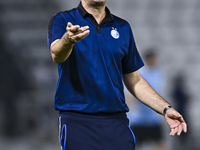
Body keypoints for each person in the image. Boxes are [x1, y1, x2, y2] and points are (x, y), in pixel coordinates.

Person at [47, 1, 187, 150]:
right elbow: (57, 54)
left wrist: (165, 108)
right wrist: (67, 41)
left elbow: (135, 80)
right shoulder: (62, 20)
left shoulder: (123, 27)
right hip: (78, 120)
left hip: (116, 121)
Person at [126, 49, 167, 150]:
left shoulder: (158, 73)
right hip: (139, 118)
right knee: (134, 144)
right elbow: (132, 93)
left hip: (153, 118)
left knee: (160, 143)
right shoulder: (140, 73)